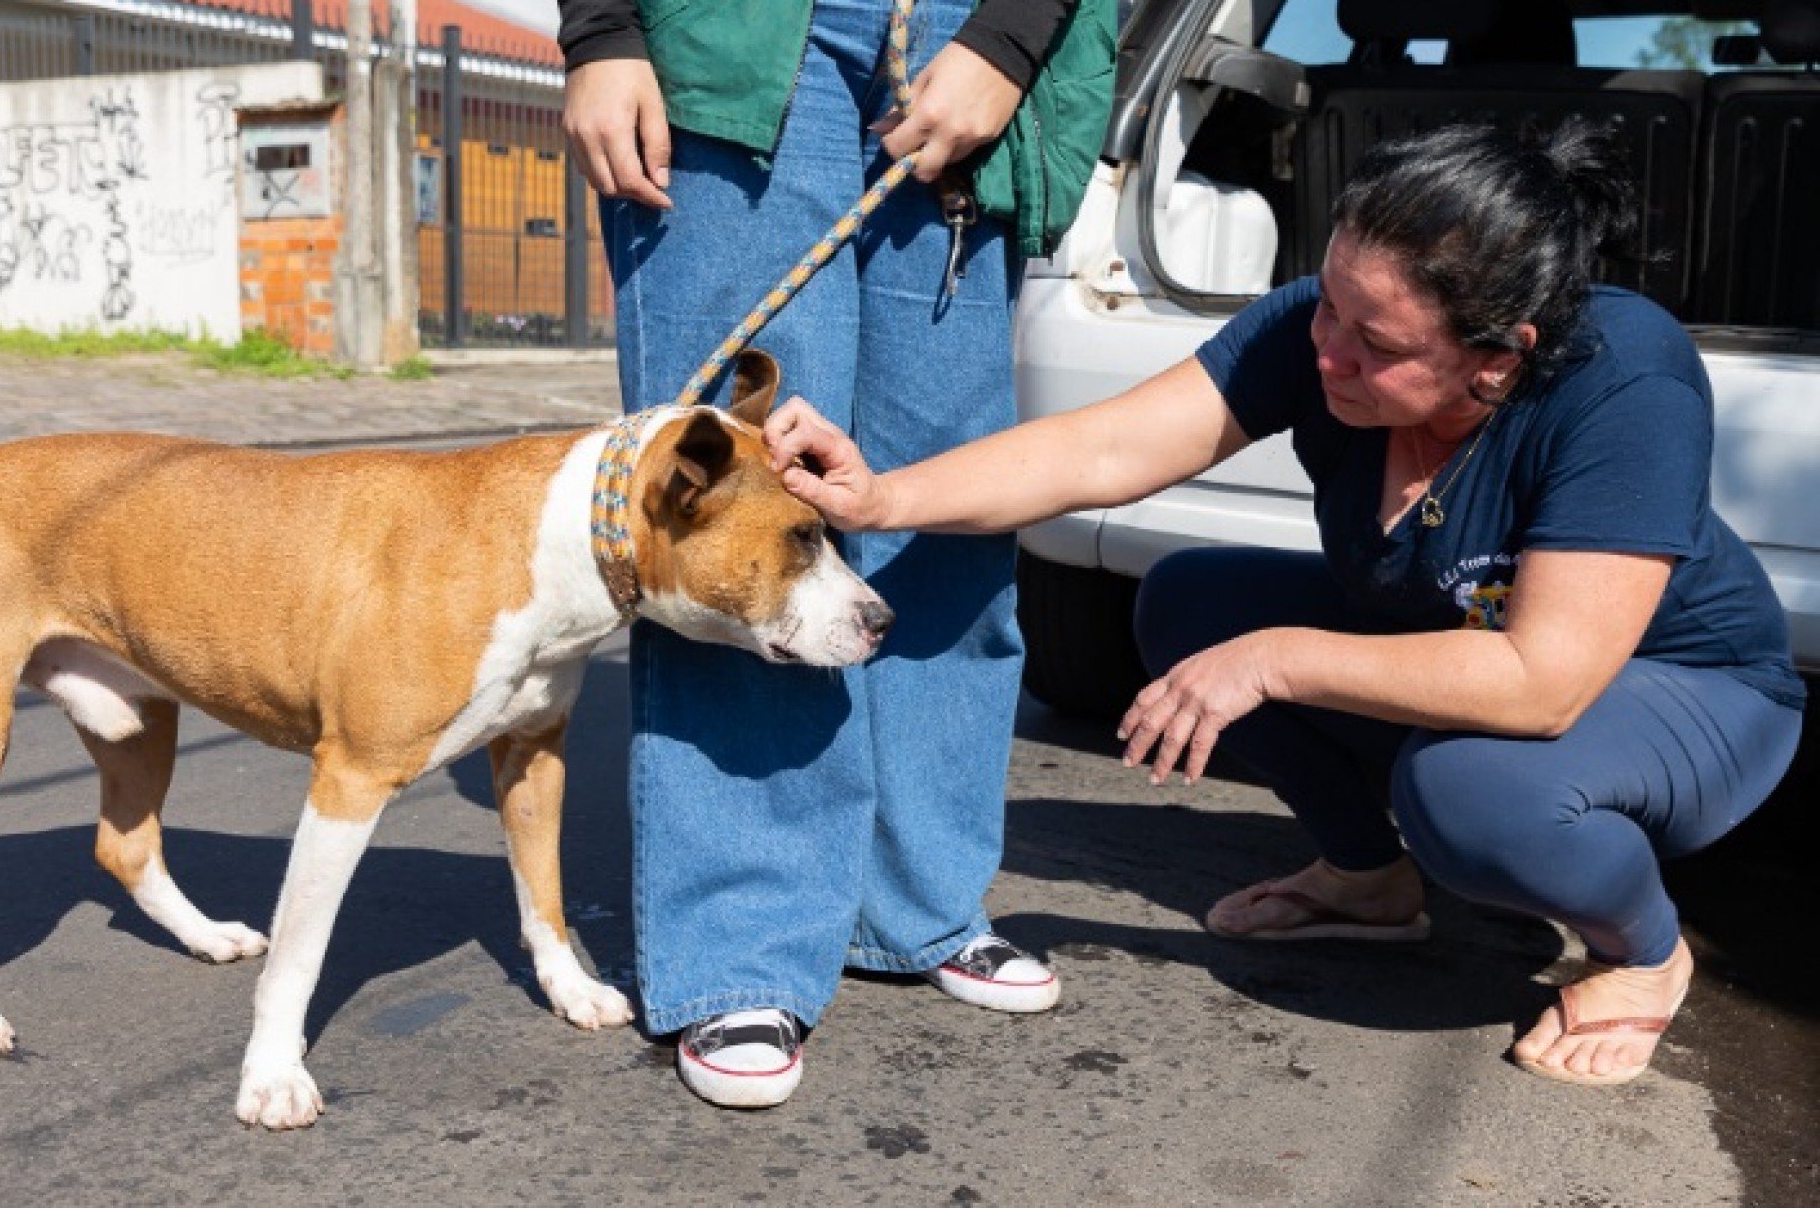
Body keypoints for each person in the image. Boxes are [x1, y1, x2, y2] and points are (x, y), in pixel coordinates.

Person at [767, 122, 1805, 1088]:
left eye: (1376, 345)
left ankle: (1648, 950)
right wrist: (887, 495)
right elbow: (1111, 447)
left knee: (1473, 789)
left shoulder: (1624, 379)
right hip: (1468, 642)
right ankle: (1369, 882)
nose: (1327, 352)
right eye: (1329, 308)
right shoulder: (1328, 330)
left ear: (1500, 359)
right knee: (1191, 604)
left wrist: (1275, 660)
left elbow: (1543, 682)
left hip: (1687, 690)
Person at [549, 0, 1134, 1106]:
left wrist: (1014, 33)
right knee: (741, 506)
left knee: (945, 496)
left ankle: (919, 897)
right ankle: (744, 940)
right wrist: (601, 21)